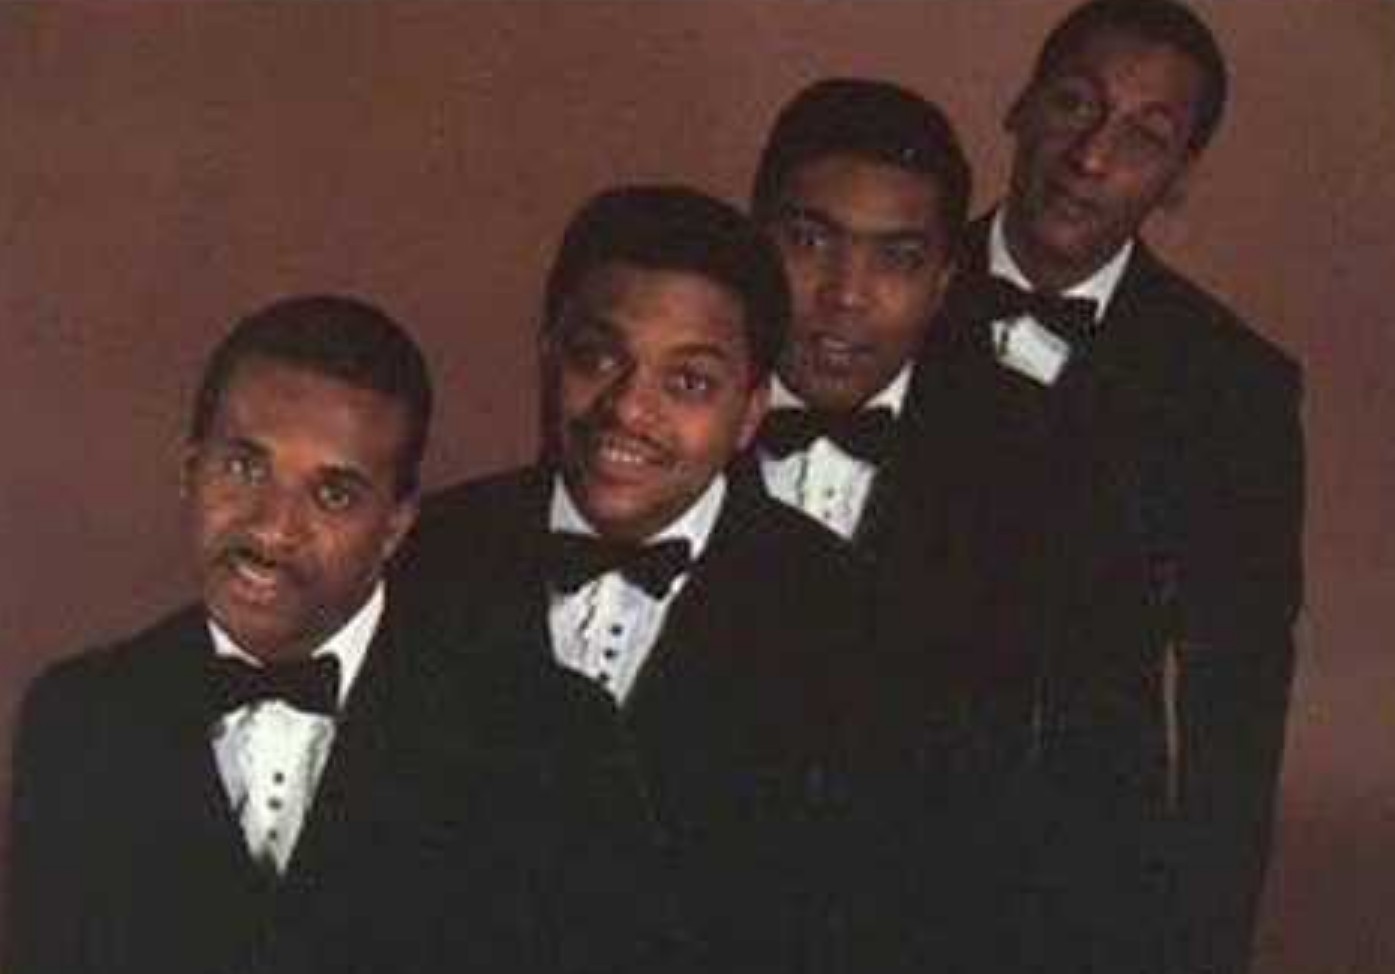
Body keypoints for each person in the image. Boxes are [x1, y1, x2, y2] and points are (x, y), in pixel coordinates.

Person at [6, 295, 676, 974]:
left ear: (395, 524)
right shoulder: (79, 719)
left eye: (332, 494)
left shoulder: (552, 737)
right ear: (190, 471)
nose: (272, 529)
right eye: (244, 467)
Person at [394, 185, 863, 974]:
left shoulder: (844, 610)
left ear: (752, 410)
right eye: (597, 357)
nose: (627, 410)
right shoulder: (420, 558)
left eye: (688, 383)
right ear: (548, 353)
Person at [936, 2, 1305, 972]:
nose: (1091, 156)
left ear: (1180, 176)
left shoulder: (1235, 386)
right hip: (864, 869)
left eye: (1145, 135)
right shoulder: (875, 304)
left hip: (1090, 897)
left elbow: (1238, 702)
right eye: (1074, 103)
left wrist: (1207, 945)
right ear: (1020, 107)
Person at [748, 77, 1071, 973]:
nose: (844, 296)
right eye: (809, 241)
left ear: (943, 282)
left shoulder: (1036, 467)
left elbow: (1070, 795)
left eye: (894, 258)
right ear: (753, 242)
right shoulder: (653, 429)